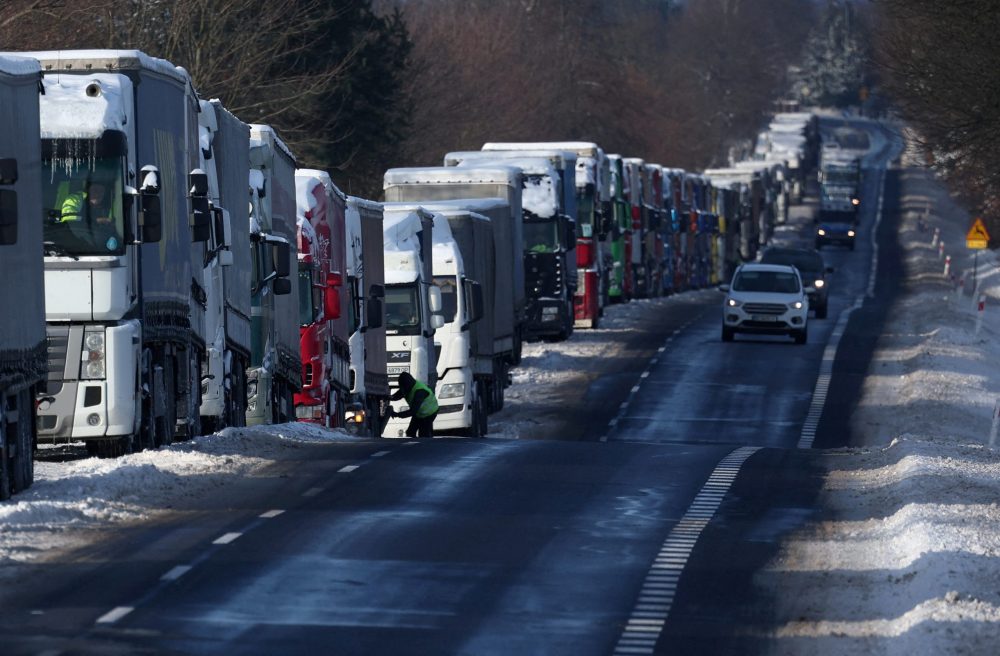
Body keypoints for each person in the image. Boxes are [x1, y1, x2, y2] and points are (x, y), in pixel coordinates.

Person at [390, 371, 438, 438]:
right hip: (419, 413)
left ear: (407, 386)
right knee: (410, 432)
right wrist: (387, 397)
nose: (402, 390)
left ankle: (426, 445)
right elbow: (396, 396)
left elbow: (412, 411)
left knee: (423, 435)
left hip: (429, 413)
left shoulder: (419, 392)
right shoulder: (407, 387)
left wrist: (397, 414)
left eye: (403, 387)